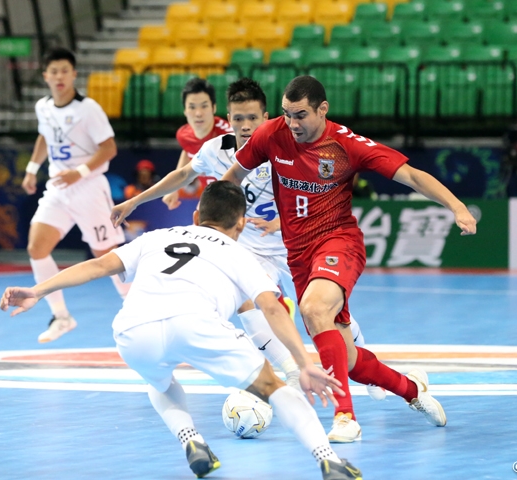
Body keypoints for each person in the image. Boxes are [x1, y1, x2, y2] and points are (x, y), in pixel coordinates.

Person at [1, 181, 361, 480]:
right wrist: (302, 363)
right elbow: (270, 307)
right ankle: (327, 459)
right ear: (239, 226)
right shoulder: (239, 253)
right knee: (273, 387)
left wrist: (37, 290)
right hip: (195, 323)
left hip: (133, 330)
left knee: (158, 381)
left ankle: (191, 439)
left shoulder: (156, 237)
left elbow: (97, 265)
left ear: (195, 217)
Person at [222, 75, 477, 443]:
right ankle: (411, 390)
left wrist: (457, 206)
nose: (292, 124)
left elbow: (412, 177)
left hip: (338, 242)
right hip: (299, 255)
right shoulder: (272, 134)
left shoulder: (345, 145)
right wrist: (216, 220)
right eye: (286, 114)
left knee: (312, 308)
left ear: (323, 110)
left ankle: (345, 418)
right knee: (345, 355)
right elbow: (234, 176)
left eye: (301, 115)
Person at [110, 79, 380, 401]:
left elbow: (313, 195)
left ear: (266, 117)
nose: (246, 125)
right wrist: (135, 201)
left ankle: (368, 372)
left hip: (296, 246)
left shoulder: (284, 146)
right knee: (247, 303)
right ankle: (293, 372)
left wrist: (282, 222)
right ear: (229, 118)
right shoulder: (215, 150)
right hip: (250, 250)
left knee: (331, 316)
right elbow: (182, 176)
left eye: (253, 118)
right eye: (238, 118)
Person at [21, 47, 130, 343]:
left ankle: (136, 311)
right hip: (58, 188)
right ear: (45, 76)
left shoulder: (88, 108)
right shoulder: (43, 106)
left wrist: (78, 173)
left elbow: (109, 148)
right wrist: (32, 168)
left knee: (106, 257)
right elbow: (45, 136)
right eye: (53, 71)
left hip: (89, 188)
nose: (59, 77)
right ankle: (61, 316)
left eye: (64, 71)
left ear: (73, 75)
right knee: (37, 248)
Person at [162, 77, 233, 210]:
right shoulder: (183, 135)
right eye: (192, 107)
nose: (198, 113)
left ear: (214, 107)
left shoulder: (230, 136)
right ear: (185, 110)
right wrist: (174, 188)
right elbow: (187, 151)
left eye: (204, 106)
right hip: (211, 200)